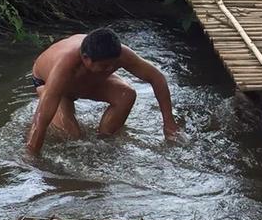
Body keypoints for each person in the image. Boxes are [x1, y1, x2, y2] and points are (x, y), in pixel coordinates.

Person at [25, 27, 179, 156]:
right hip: (48, 83)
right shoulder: (65, 65)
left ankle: (104, 139)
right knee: (72, 138)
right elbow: (43, 115)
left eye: (113, 65)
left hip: (84, 81)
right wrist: (31, 153)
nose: (110, 69)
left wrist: (169, 123)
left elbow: (157, 77)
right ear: (85, 58)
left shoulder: (121, 54)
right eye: (105, 67)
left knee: (126, 95)